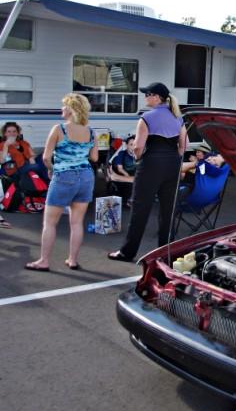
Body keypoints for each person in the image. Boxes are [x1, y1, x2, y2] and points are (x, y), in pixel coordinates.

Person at [108, 82, 187, 262]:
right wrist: (174, 159)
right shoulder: (178, 117)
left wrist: (138, 159)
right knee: (168, 210)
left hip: (151, 164)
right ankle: (165, 253)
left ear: (156, 97)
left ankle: (127, 252)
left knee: (140, 209)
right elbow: (184, 145)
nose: (145, 97)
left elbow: (138, 146)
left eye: (147, 94)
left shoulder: (147, 117)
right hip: (172, 164)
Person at [25, 94, 98, 271]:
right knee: (76, 222)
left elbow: (46, 157)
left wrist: (51, 169)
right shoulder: (91, 132)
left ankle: (44, 261)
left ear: (71, 109)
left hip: (64, 176)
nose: (61, 109)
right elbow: (94, 157)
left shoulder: (59, 129)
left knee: (50, 223)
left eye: (64, 106)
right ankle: (72, 260)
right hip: (86, 177)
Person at [108, 135, 136, 203]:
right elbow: (120, 168)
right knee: (129, 184)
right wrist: (127, 176)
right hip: (124, 173)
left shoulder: (138, 154)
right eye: (131, 145)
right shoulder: (122, 153)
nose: (133, 147)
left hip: (134, 174)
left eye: (135, 145)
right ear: (126, 146)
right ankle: (128, 199)